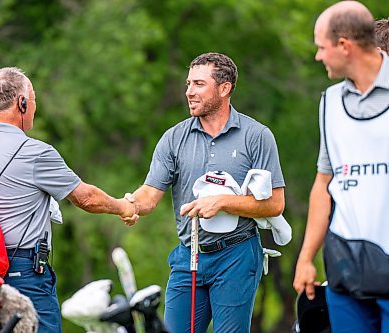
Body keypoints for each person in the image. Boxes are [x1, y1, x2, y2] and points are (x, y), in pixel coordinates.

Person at [0, 67, 136, 333]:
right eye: (34, 99)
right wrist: (123, 207)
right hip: (24, 275)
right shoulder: (35, 152)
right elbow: (85, 197)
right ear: (22, 103)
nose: (35, 107)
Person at [122, 52, 285, 332]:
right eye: (188, 84)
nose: (189, 92)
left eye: (198, 84)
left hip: (237, 253)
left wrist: (222, 202)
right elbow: (149, 195)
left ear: (224, 88)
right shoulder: (173, 138)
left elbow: (274, 204)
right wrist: (128, 204)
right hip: (189, 254)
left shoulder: (256, 136)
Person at [293, 2, 389, 332]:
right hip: (345, 273)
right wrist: (306, 258)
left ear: (344, 46)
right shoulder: (329, 103)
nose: (318, 56)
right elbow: (324, 185)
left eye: (322, 47)